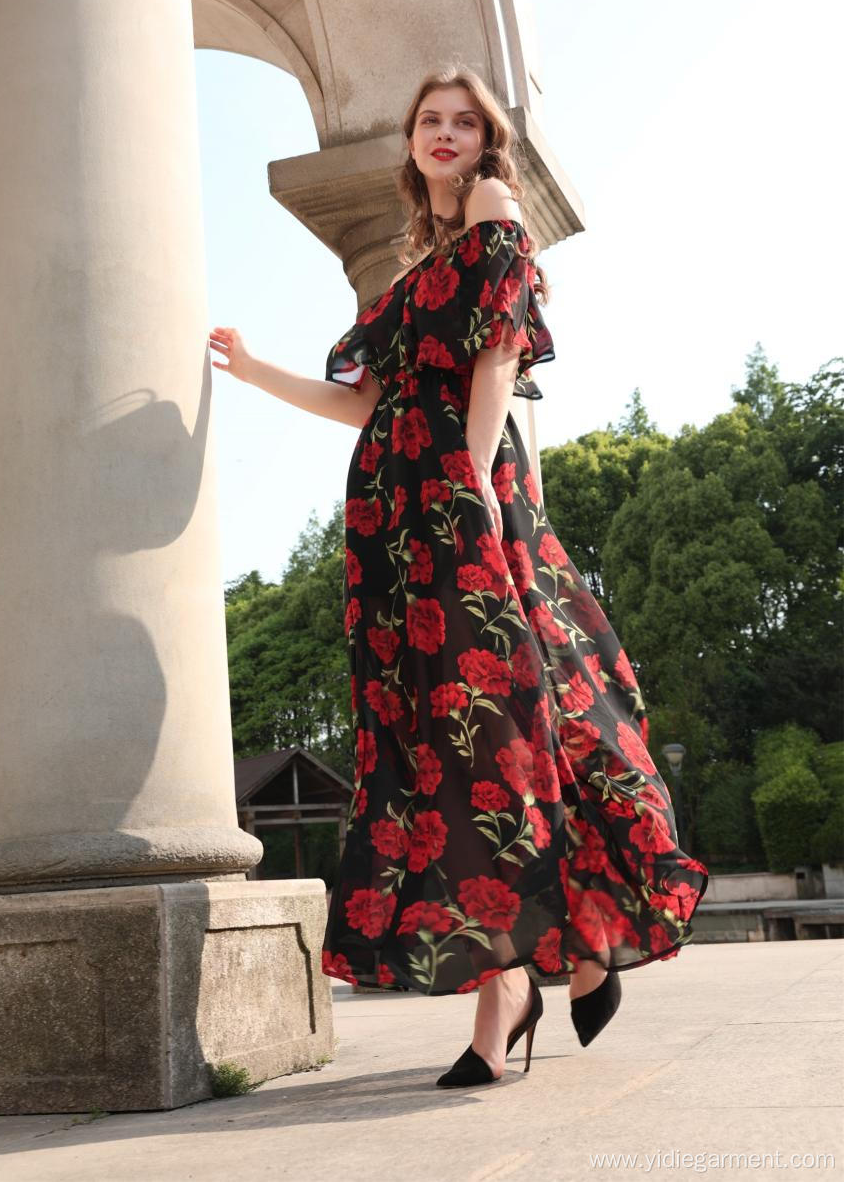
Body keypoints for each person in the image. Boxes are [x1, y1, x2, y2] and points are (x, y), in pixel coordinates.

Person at [208, 64, 709, 1089]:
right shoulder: (420, 251)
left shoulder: (491, 210)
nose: (443, 134)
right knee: (448, 737)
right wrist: (255, 369)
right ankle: (538, 964)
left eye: (463, 123)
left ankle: (533, 973)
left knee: (507, 720)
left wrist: (473, 479)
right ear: (408, 139)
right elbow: (369, 406)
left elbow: (491, 358)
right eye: (428, 121)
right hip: (394, 514)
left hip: (453, 495)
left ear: (487, 143)